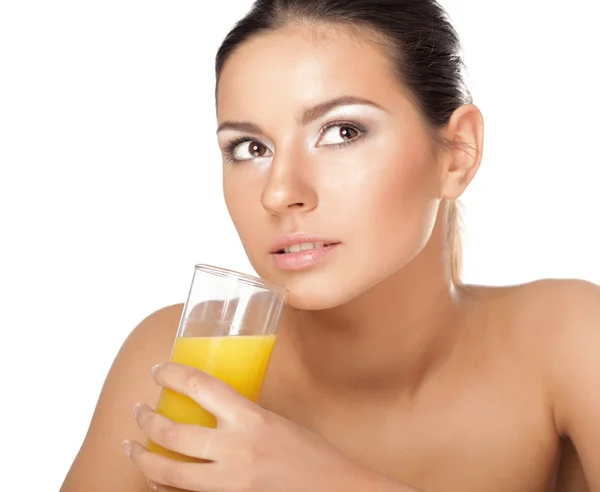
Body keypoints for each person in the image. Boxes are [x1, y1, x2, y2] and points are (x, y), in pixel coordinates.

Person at [60, 0, 600, 490]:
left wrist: (326, 481)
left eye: (342, 132)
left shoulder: (568, 338)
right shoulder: (175, 357)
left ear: (457, 153)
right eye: (250, 147)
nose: (279, 192)